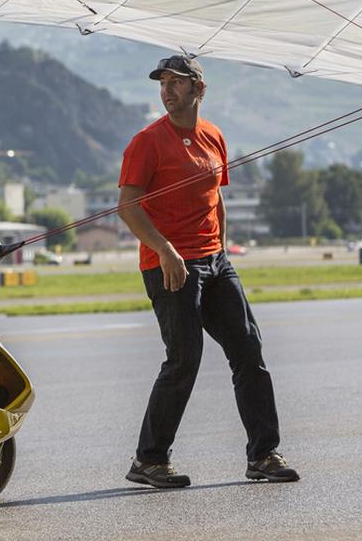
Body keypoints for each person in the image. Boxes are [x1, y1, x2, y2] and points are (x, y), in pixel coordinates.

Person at [116, 55, 299, 488]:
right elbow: (128, 206)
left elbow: (215, 198)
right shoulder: (146, 142)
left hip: (215, 261)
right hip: (170, 264)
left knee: (249, 350)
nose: (167, 90)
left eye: (176, 82)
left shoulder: (214, 137)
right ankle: (149, 460)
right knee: (184, 359)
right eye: (162, 83)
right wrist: (165, 250)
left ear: (199, 88)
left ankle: (264, 456)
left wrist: (220, 250)